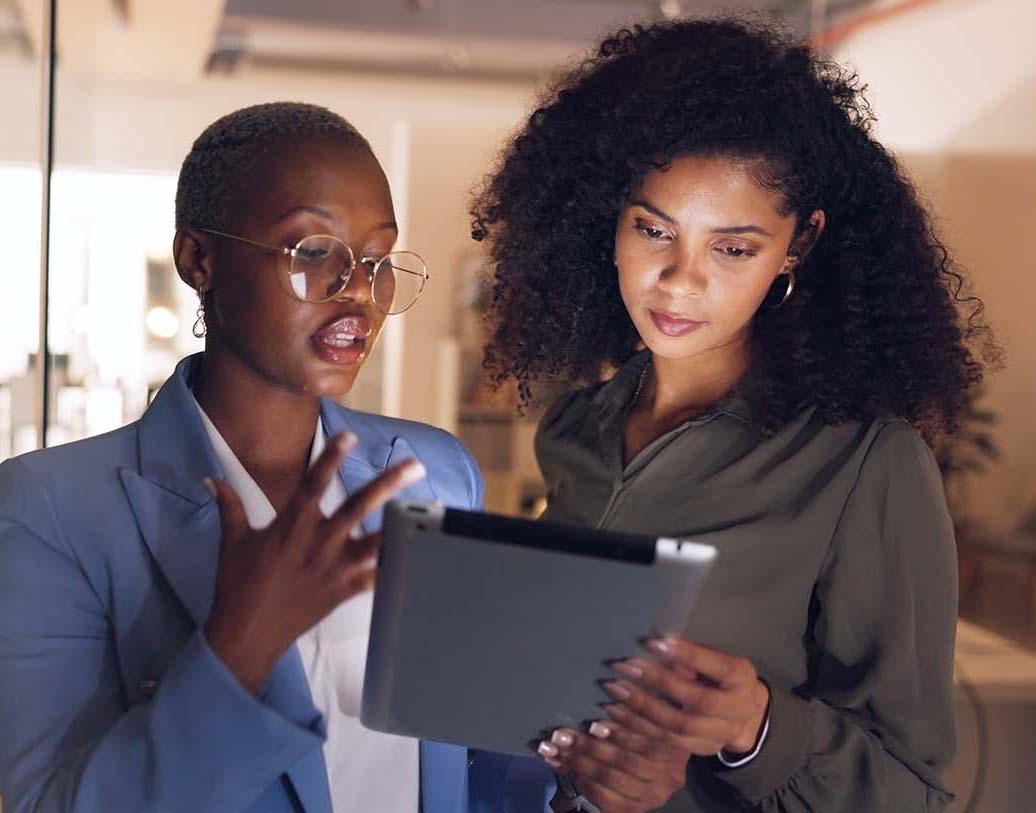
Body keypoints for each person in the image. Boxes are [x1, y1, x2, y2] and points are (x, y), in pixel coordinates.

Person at [471, 18, 997, 813]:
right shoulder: (575, 429)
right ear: (606, 217)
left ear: (797, 245)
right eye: (654, 229)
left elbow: (914, 791)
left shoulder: (867, 464)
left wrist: (754, 726)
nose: (679, 283)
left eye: (733, 248)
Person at [0, 102, 554, 813]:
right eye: (313, 251)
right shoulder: (52, 512)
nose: (358, 289)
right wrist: (238, 647)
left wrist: (572, 785)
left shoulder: (436, 473)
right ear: (199, 258)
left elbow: (470, 764)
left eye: (378, 259)